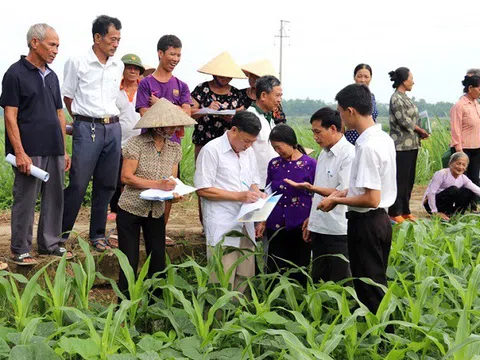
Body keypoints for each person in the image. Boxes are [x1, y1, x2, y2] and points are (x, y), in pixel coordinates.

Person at [318, 84, 396, 316]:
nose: (340, 117)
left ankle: (382, 339)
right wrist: (341, 193)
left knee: (369, 286)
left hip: (367, 223)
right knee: (374, 280)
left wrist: (336, 202)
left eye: (340, 112)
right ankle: (379, 332)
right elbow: (364, 187)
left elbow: (371, 199)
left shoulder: (368, 147)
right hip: (381, 221)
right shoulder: (382, 138)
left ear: (350, 111)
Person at [0, 23, 73, 265]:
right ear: (34, 43)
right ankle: (20, 249)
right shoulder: (14, 74)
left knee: (55, 198)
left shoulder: (51, 76)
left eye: (58, 46)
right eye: (52, 45)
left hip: (54, 149)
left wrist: (64, 150)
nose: (56, 50)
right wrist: (20, 153)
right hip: (28, 152)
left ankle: (50, 244)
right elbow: (10, 116)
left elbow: (60, 114)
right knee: (26, 199)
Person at [117, 98, 196, 298]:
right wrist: (157, 184)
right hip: (131, 208)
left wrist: (174, 193)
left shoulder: (174, 149)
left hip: (156, 211)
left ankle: (155, 308)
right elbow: (126, 177)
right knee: (129, 260)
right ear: (157, 126)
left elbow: (172, 180)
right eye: (170, 125)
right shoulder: (136, 144)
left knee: (158, 261)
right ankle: (124, 308)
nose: (174, 129)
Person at [61, 15, 124, 251]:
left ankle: (97, 234)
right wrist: (82, 121)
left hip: (113, 127)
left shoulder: (118, 65)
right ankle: (61, 235)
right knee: (78, 182)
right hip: (87, 127)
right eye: (112, 39)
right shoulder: (77, 62)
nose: (116, 44)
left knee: (107, 184)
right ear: (98, 38)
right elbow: (67, 96)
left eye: (119, 39)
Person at [195, 111, 264, 292]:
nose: (248, 146)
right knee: (221, 279)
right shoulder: (212, 150)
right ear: (234, 130)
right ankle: (219, 319)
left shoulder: (248, 153)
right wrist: (239, 196)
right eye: (246, 141)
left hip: (245, 223)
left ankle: (240, 317)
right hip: (222, 224)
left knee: (245, 278)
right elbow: (203, 189)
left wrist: (258, 195)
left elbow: (252, 182)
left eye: (252, 142)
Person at [135, 35, 192, 246]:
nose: (176, 58)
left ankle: (161, 231)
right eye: (172, 54)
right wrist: (173, 111)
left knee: (169, 187)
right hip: (148, 144)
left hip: (173, 145)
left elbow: (186, 115)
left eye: (179, 54)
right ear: (160, 54)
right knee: (146, 186)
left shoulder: (182, 85)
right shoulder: (146, 84)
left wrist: (161, 103)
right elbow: (144, 115)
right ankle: (143, 231)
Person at [286, 107, 354, 283]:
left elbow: (344, 192)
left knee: (340, 281)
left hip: (339, 229)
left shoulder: (349, 154)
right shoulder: (323, 154)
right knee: (318, 279)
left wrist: (310, 188)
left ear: (332, 128)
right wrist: (312, 218)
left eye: (318, 132)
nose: (315, 137)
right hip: (320, 228)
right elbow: (320, 188)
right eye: (313, 132)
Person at [255, 125, 315, 284]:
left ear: (290, 142)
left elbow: (316, 194)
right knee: (275, 265)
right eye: (274, 148)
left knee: (299, 266)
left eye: (279, 147)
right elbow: (268, 193)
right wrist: (262, 220)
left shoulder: (310, 164)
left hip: (300, 222)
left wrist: (312, 219)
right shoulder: (274, 164)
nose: (277, 152)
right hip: (276, 222)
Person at [387, 67, 429, 224]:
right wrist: (420, 129)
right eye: (411, 78)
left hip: (412, 144)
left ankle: (405, 210)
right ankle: (394, 211)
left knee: (409, 179)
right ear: (404, 81)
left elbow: (414, 120)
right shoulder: (396, 98)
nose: (413, 81)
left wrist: (421, 132)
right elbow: (404, 120)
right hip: (401, 145)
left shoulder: (407, 98)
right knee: (400, 179)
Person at [108, 54, 145, 224]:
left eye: (136, 68)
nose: (132, 71)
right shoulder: (114, 90)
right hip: (118, 141)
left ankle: (135, 211)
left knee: (136, 178)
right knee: (116, 179)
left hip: (140, 143)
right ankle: (116, 210)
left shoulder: (145, 91)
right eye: (129, 67)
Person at [191, 52, 246, 158]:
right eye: (222, 77)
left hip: (228, 142)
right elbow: (190, 112)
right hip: (203, 139)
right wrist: (207, 110)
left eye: (228, 77)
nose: (225, 79)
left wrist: (232, 118)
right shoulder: (201, 89)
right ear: (214, 74)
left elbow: (242, 114)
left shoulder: (236, 93)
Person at [247, 75, 283, 190]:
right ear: (263, 95)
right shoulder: (250, 117)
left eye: (281, 96)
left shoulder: (269, 118)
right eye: (277, 95)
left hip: (270, 181)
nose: (279, 100)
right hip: (256, 184)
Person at [423, 152, 480, 220]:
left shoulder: (463, 178)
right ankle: (440, 213)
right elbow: (431, 193)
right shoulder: (442, 174)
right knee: (453, 189)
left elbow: (477, 190)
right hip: (432, 205)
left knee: (468, 191)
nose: (460, 167)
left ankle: (457, 214)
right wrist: (435, 212)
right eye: (458, 163)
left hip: (448, 205)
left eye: (464, 165)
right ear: (450, 163)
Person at [450, 75, 480, 189]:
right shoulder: (459, 106)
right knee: (462, 178)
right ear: (470, 88)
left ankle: (473, 205)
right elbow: (455, 129)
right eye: (479, 89)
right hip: (464, 148)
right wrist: (459, 151)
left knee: (475, 178)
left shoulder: (477, 104)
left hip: (476, 148)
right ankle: (461, 205)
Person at [240, 59, 287, 125]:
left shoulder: (273, 102)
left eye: (257, 77)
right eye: (251, 76)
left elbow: (280, 122)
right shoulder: (239, 94)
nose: (253, 79)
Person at [345, 64, 379, 144]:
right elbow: (341, 123)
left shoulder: (372, 96)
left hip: (370, 140)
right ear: (354, 77)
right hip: (353, 141)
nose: (362, 80)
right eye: (359, 76)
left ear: (371, 78)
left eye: (366, 77)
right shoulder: (347, 96)